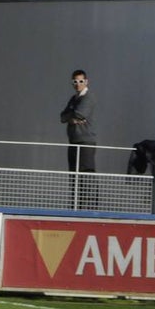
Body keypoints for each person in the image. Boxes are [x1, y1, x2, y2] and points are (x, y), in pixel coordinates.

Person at [60, 69, 98, 208]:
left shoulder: (89, 97)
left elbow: (80, 114)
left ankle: (89, 207)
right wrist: (72, 118)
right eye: (75, 82)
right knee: (74, 174)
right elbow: (62, 117)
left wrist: (73, 117)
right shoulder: (74, 99)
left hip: (85, 141)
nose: (78, 84)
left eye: (81, 81)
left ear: (86, 81)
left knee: (86, 175)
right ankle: (77, 205)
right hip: (73, 141)